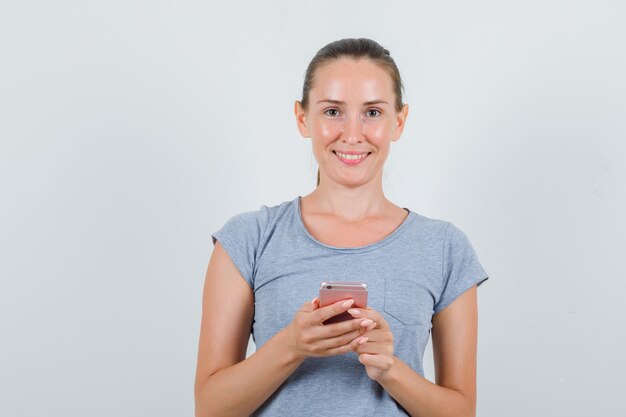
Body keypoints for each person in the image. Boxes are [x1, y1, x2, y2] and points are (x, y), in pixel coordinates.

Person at [194, 38, 489, 417]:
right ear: (303, 118)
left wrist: (390, 369)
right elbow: (209, 407)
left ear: (399, 121)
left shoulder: (446, 247)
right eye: (332, 111)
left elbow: (461, 411)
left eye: (372, 112)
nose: (352, 134)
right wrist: (292, 345)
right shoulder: (247, 239)